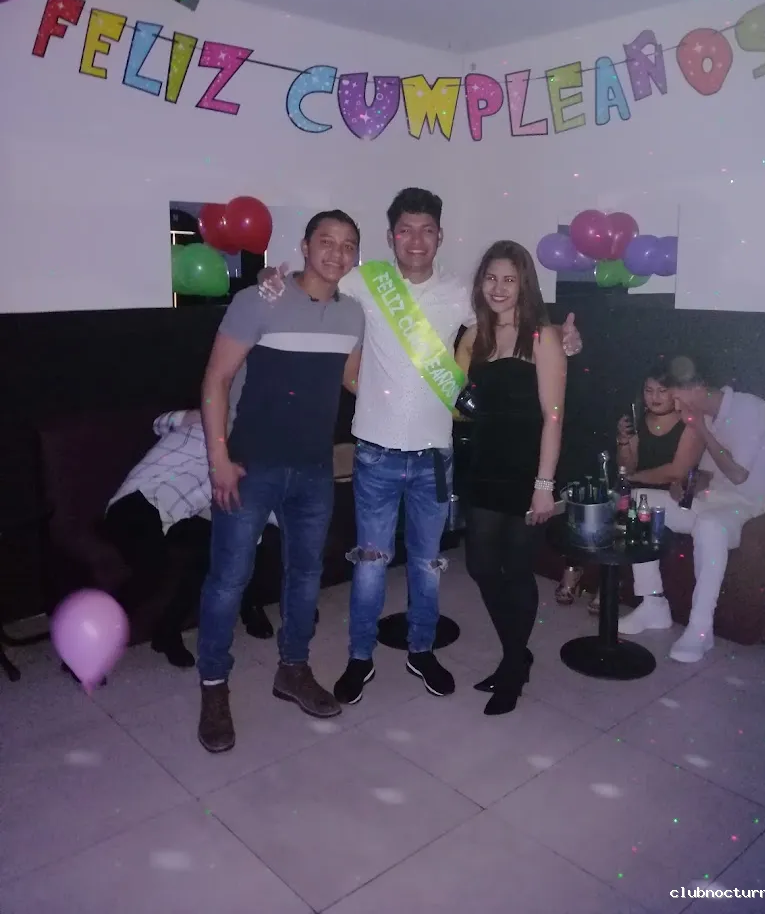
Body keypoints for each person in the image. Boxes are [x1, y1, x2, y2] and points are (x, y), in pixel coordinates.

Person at [260, 188, 581, 706]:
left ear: (440, 236)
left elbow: (512, 319)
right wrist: (268, 278)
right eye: (405, 230)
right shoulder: (367, 281)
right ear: (391, 237)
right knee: (370, 564)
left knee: (428, 565)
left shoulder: (461, 294)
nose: (415, 240)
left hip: (435, 456)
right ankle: (360, 657)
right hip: (375, 454)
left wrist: (566, 340)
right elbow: (313, 281)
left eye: (426, 230)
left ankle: (422, 650)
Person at [196, 210, 364, 753]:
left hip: (314, 468)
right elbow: (217, 378)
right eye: (326, 241)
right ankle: (214, 685)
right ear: (306, 246)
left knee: (306, 576)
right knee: (228, 580)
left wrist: (427, 385)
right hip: (251, 465)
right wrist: (218, 459)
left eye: (348, 245)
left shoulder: (353, 314)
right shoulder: (259, 300)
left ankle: (293, 668)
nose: (336, 253)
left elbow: (354, 379)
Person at [455, 241, 566, 715]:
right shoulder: (476, 335)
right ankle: (518, 655)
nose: (498, 288)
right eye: (491, 278)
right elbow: (459, 396)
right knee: (481, 566)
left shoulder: (542, 337)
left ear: (524, 285)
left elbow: (554, 418)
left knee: (517, 572)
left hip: (526, 471)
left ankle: (512, 665)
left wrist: (544, 486)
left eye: (509, 279)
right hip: (484, 464)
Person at [618, 357, 765, 662]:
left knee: (709, 525)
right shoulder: (707, 416)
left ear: (697, 388)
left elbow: (737, 474)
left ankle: (700, 629)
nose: (676, 406)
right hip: (712, 501)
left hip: (750, 508)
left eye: (677, 397)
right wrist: (687, 485)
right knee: (640, 501)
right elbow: (707, 474)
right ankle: (653, 604)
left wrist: (701, 429)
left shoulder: (751, 409)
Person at [103, 410, 276, 669]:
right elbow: (160, 422)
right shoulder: (207, 432)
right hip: (137, 502)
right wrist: (196, 416)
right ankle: (96, 634)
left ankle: (167, 631)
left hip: (175, 518)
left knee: (216, 550)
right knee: (152, 568)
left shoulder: (240, 471)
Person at [556, 360, 704, 613]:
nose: (654, 397)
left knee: (622, 508)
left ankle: (610, 583)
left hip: (669, 498)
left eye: (662, 391)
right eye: (649, 390)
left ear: (676, 393)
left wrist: (633, 477)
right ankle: (575, 568)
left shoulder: (690, 424)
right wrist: (623, 441)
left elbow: (676, 471)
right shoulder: (638, 420)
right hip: (634, 490)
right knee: (592, 503)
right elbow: (626, 465)